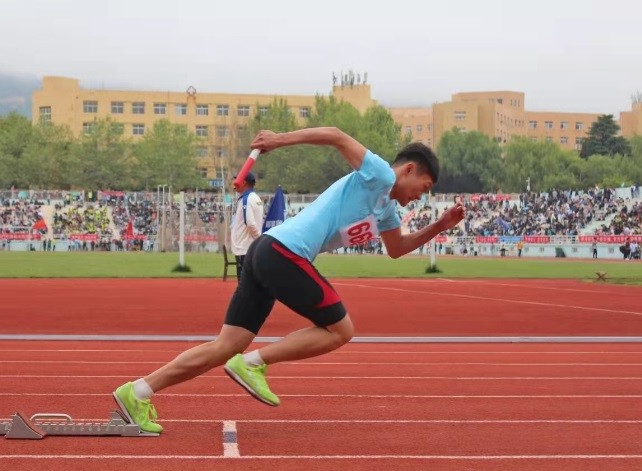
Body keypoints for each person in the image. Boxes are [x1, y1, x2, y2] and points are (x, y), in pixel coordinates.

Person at [112, 127, 465, 433]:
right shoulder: (380, 175)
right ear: (408, 169)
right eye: (425, 185)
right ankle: (253, 363)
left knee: (225, 346)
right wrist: (279, 141)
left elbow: (397, 248)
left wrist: (439, 227)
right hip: (284, 252)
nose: (422, 194)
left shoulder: (386, 210)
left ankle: (139, 390)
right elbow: (335, 136)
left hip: (267, 253)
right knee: (341, 331)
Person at [230, 172, 264, 280]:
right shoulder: (255, 198)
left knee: (244, 285)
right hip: (248, 247)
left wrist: (259, 240)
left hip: (244, 248)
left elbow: (250, 223)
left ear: (243, 182)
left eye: (237, 180)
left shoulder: (247, 199)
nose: (235, 183)